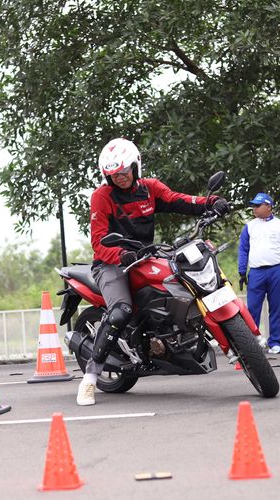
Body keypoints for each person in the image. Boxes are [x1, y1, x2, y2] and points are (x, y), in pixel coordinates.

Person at [76, 137, 229, 406]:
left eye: (124, 171)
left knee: (187, 281)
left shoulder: (149, 189)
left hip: (146, 256)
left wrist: (210, 202)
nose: (120, 178)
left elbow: (180, 200)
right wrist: (122, 254)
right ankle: (90, 378)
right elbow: (99, 242)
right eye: (114, 175)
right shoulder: (102, 197)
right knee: (121, 310)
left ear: (136, 166)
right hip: (112, 264)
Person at [237, 192, 280, 354]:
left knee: (275, 307)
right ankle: (253, 343)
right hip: (256, 272)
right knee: (252, 309)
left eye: (258, 205)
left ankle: (275, 342)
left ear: (268, 207)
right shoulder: (249, 226)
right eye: (253, 205)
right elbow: (243, 250)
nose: (254, 208)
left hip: (277, 270)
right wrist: (242, 271)